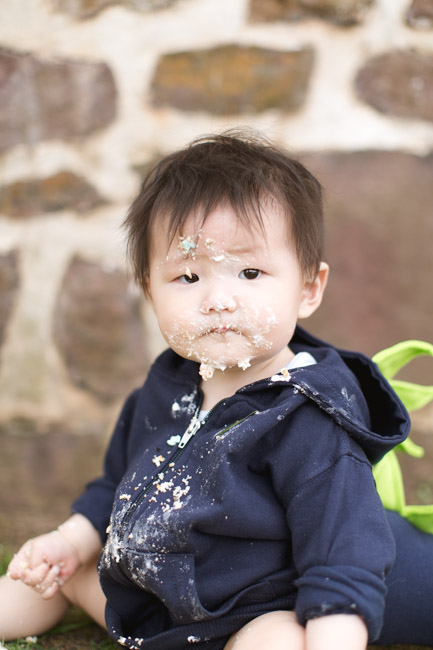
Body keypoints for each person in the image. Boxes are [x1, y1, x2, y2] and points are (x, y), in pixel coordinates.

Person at [0, 132, 431, 650]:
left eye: (250, 272)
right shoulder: (165, 390)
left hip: (252, 611)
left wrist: (335, 634)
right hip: (154, 600)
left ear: (308, 290)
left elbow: (344, 556)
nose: (219, 299)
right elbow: (117, 485)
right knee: (52, 569)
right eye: (187, 276)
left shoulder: (308, 419)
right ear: (148, 290)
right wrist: (68, 541)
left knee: (278, 639)